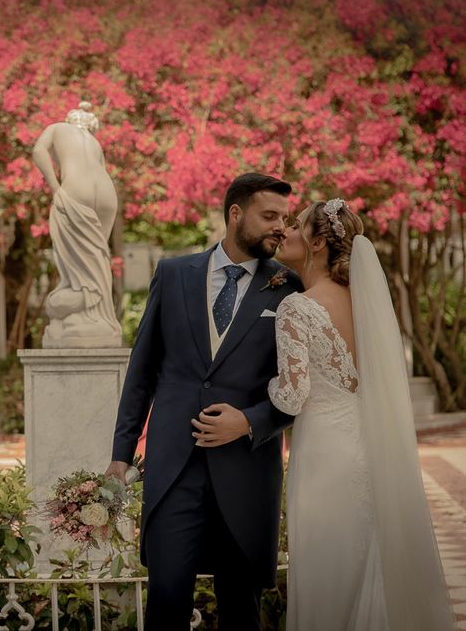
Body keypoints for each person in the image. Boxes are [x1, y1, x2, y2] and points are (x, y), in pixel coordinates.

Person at [107, 172, 302, 629]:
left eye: (285, 218)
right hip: (173, 468)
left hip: (247, 471)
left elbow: (300, 384)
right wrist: (120, 455)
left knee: (241, 608)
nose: (280, 226)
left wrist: (251, 421)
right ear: (236, 214)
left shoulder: (291, 288)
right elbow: (142, 372)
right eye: (269, 215)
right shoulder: (174, 274)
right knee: (167, 601)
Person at [267, 199, 455, 631]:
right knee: (368, 562)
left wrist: (266, 385)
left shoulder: (297, 308)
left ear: (317, 242)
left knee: (325, 574)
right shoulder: (366, 304)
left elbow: (292, 399)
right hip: (365, 448)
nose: (285, 233)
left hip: (323, 458)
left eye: (295, 227)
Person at [32, 101, 122, 348]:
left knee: (78, 256)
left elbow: (38, 151)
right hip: (106, 193)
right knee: (97, 254)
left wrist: (55, 189)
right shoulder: (95, 143)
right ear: (90, 126)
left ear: (70, 120)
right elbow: (101, 169)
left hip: (77, 187)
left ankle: (84, 302)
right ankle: (96, 315)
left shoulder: (57, 128)